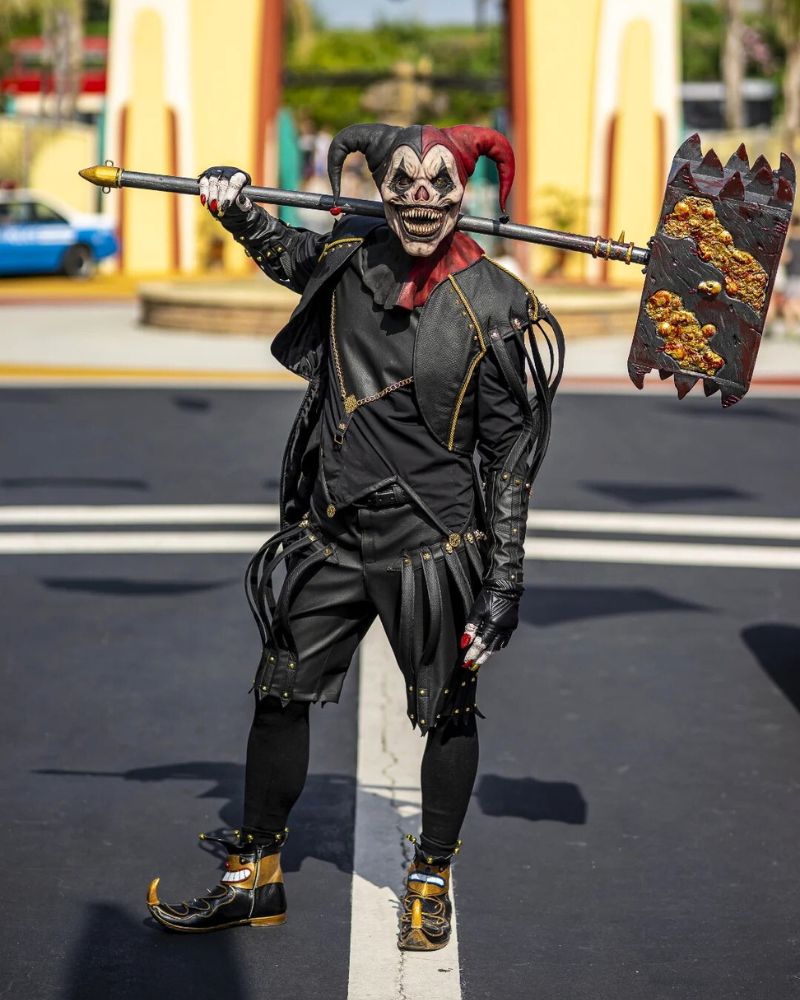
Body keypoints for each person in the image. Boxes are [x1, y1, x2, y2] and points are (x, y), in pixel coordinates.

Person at [146, 123, 563, 951]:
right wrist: (235, 205)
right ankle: (254, 876)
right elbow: (282, 250)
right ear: (380, 188)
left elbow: (510, 462)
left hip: (434, 547)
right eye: (403, 183)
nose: (421, 200)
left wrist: (503, 581)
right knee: (279, 692)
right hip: (331, 532)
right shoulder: (346, 257)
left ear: (464, 193)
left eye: (440, 185)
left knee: (448, 711)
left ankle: (430, 877)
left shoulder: (493, 305)